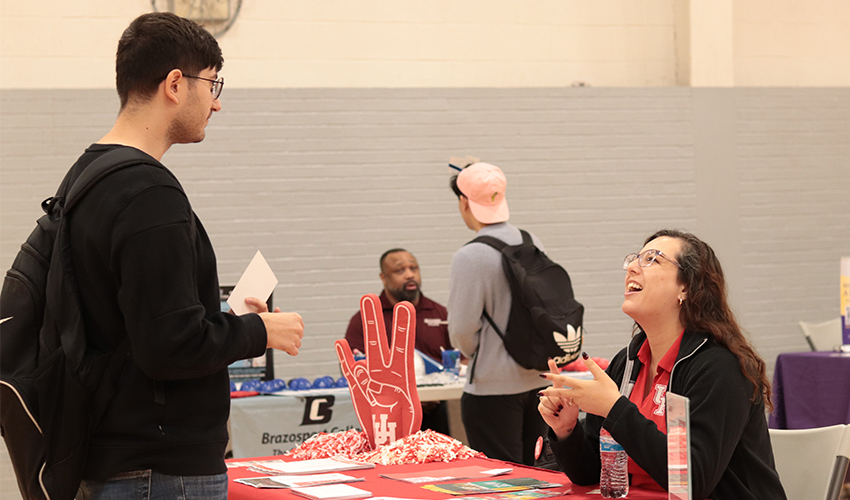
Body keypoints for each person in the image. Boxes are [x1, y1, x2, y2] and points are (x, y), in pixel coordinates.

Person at [62, 13, 304, 499]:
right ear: (175, 84)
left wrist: (221, 322)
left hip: (113, 455)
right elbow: (168, 346)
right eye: (213, 85)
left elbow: (135, 328)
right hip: (158, 469)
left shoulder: (87, 175)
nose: (217, 105)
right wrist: (259, 331)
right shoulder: (150, 192)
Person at [537, 229, 786, 499]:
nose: (631, 267)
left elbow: (692, 482)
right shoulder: (627, 362)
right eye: (633, 259)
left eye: (652, 259)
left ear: (686, 287)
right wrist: (566, 430)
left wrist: (614, 408)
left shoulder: (720, 367)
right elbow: (590, 473)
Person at [447, 162, 549, 466]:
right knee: (538, 479)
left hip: (491, 386)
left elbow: (462, 330)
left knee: (500, 482)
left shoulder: (469, 256)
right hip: (537, 378)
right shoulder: (532, 241)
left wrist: (475, 352)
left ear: (464, 202)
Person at [344, 248, 454, 435]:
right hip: (388, 416)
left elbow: (461, 360)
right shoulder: (366, 318)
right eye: (400, 270)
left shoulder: (440, 313)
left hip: (438, 410)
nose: (410, 275)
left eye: (414, 268)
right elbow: (355, 370)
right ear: (383, 277)